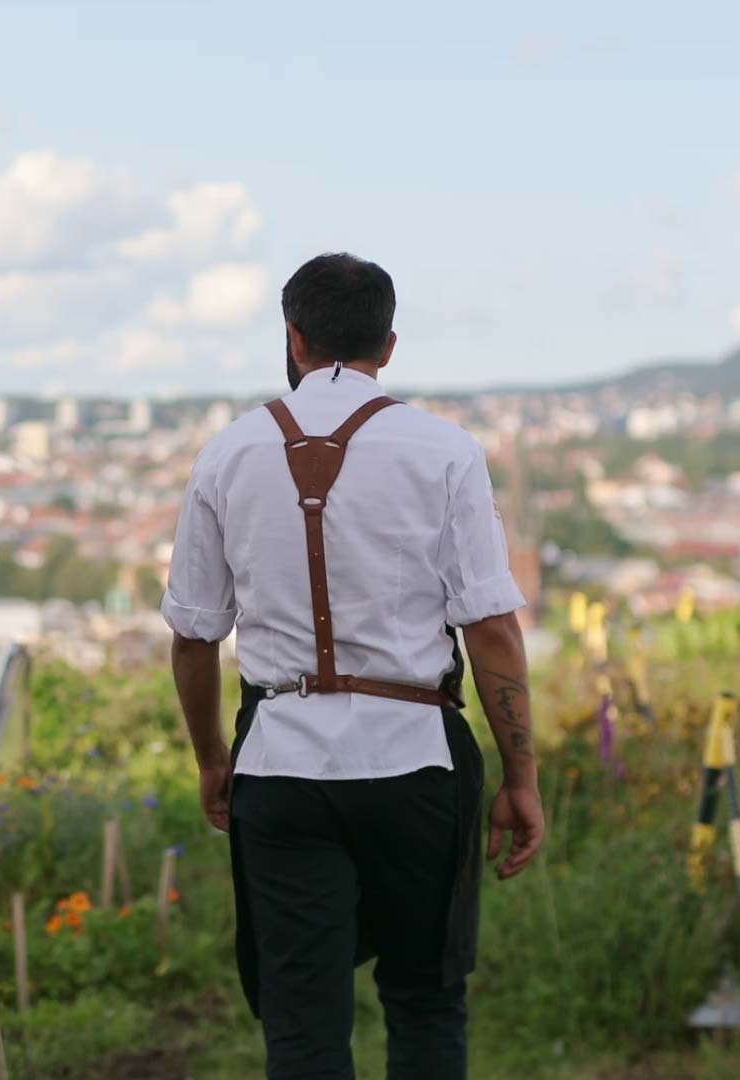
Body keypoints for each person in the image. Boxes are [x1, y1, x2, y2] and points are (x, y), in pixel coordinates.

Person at [162, 252, 544, 1079]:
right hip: (418, 765)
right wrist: (523, 773)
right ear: (390, 344)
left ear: (293, 338)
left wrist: (211, 761)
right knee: (426, 1000)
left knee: (302, 1022)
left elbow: (193, 639)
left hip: (279, 764)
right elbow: (494, 634)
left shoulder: (226, 454)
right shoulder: (445, 452)